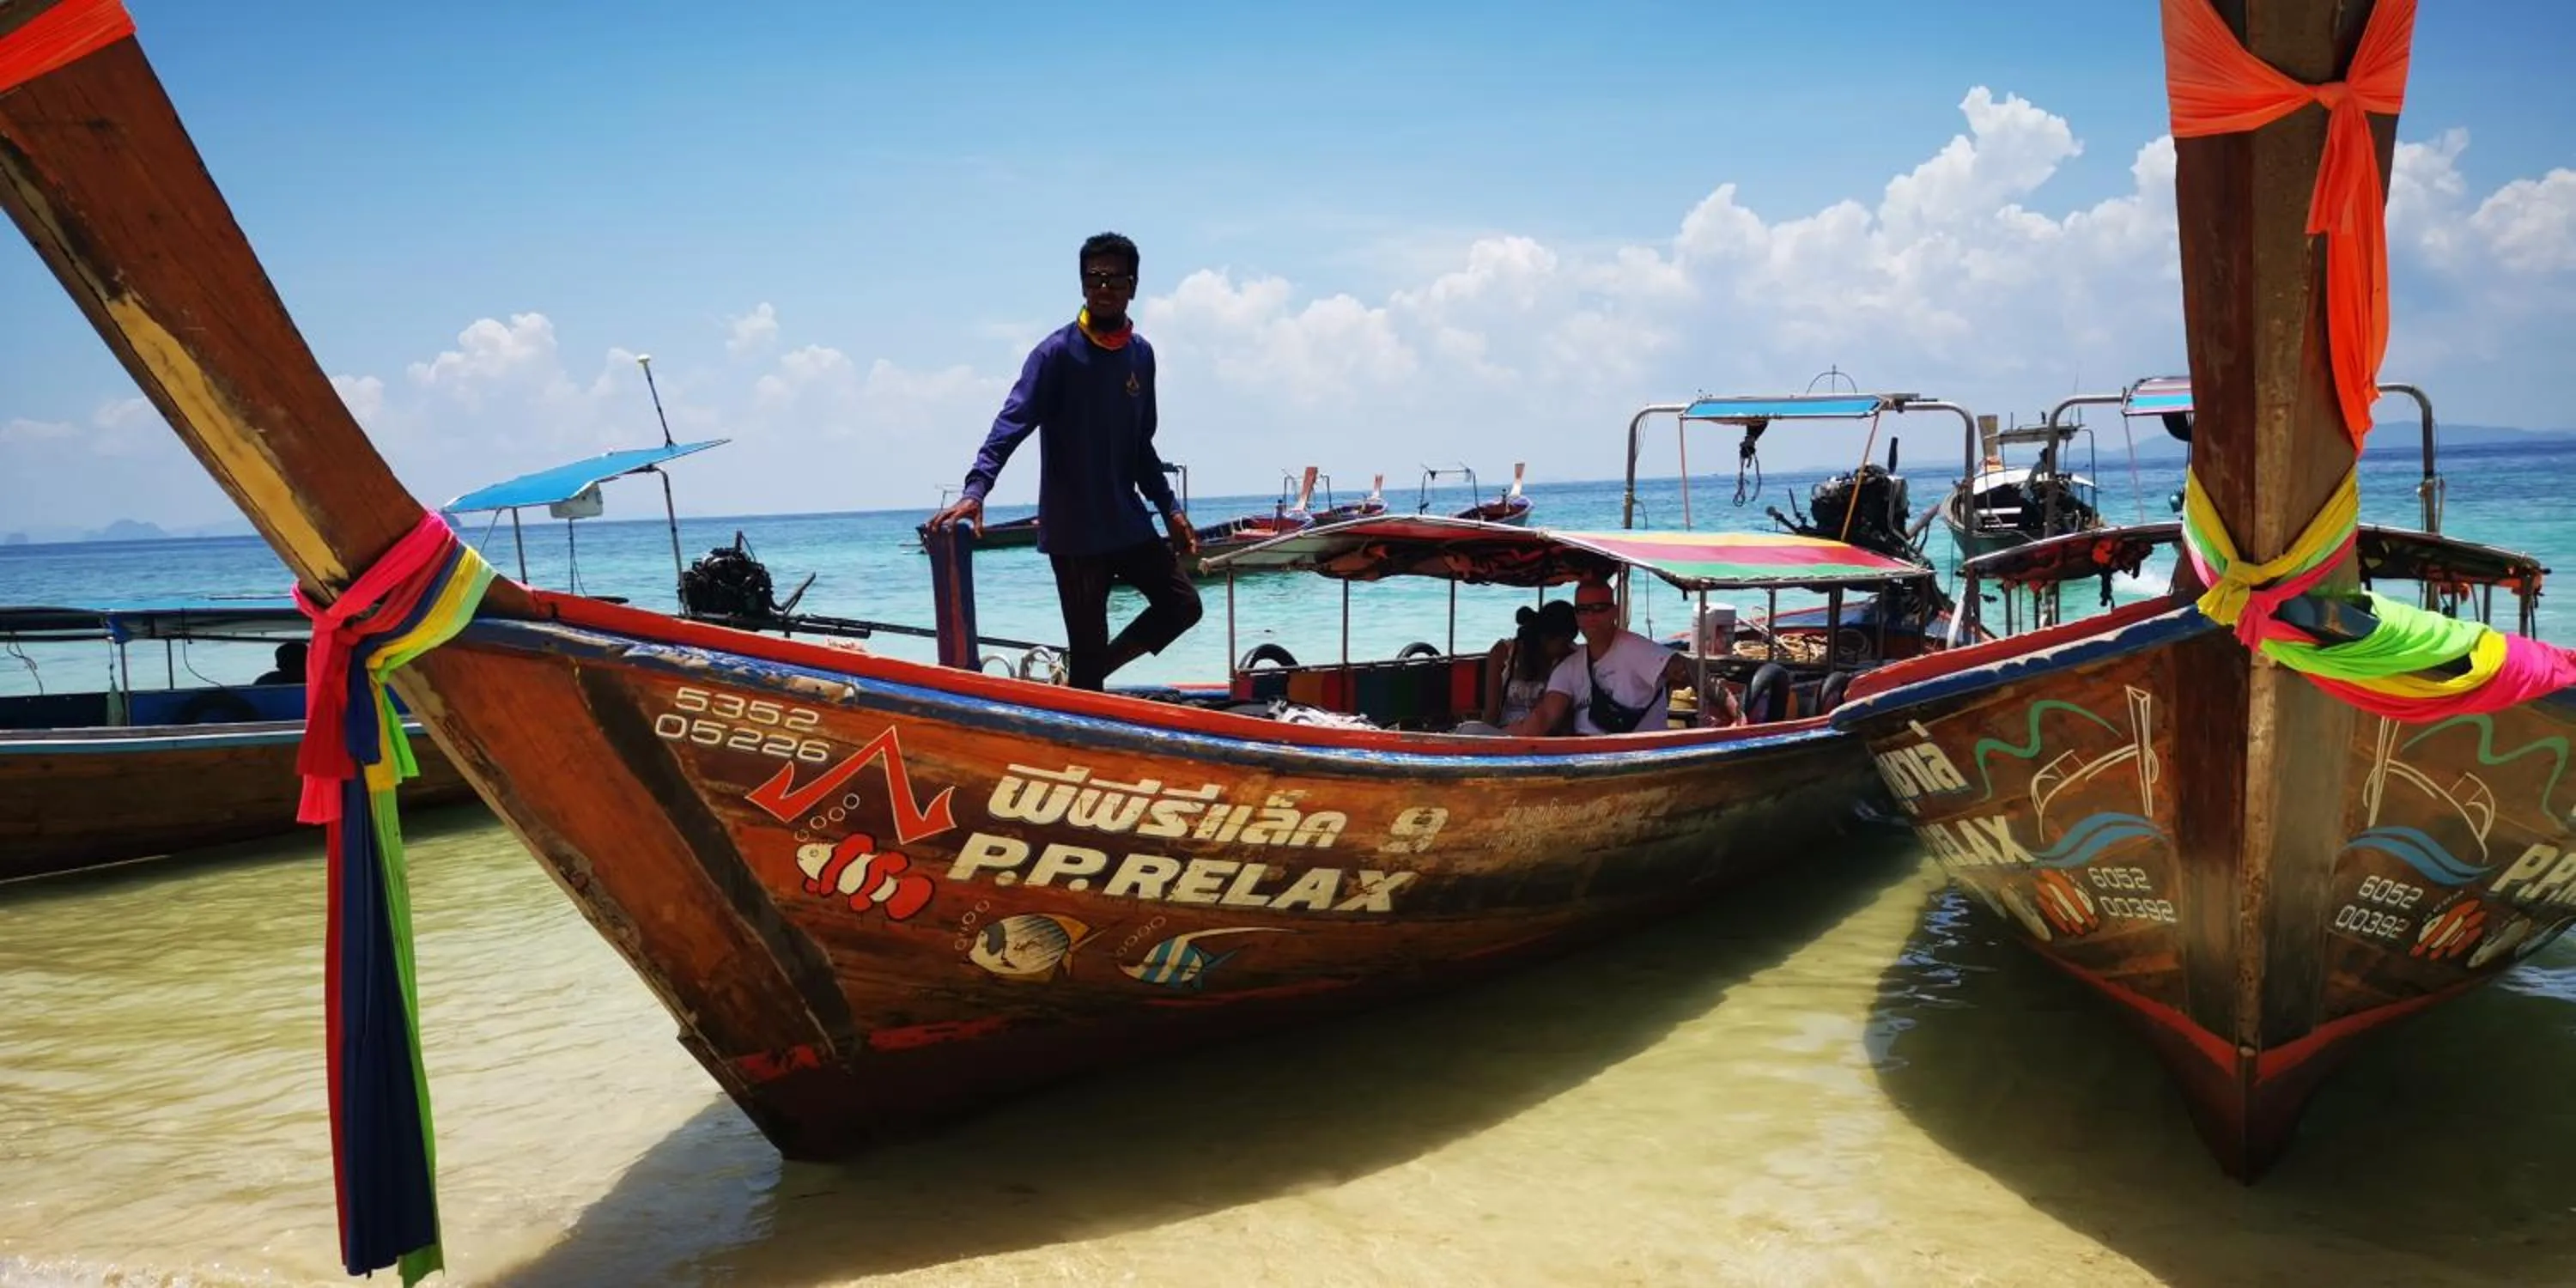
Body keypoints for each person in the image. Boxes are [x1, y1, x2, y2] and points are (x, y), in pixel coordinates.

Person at [926, 232, 1202, 690]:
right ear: (1081, 285)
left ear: (1133, 285)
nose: (1104, 287)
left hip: (1126, 522)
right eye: (1094, 277)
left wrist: (1170, 508)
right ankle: (1085, 688)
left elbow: (1141, 448)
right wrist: (976, 491)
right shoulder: (1055, 354)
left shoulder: (1141, 356)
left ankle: (1087, 677)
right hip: (1075, 534)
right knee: (1087, 654)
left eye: (1115, 277)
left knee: (1183, 606)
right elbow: (1009, 424)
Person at [1513, 578, 1697, 737]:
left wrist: (1723, 706)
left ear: (1614, 612)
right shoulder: (1569, 667)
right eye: (1583, 610)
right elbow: (1546, 714)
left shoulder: (1637, 649)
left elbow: (1688, 670)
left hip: (1641, 752)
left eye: (1599, 609)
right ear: (1576, 617)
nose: (1591, 617)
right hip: (1586, 755)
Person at [1454, 599, 1577, 736]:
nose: (1567, 647)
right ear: (1545, 637)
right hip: (1506, 734)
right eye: (1564, 642)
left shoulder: (1569, 659)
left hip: (1544, 735)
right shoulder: (1504, 652)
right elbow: (1491, 712)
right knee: (1467, 729)